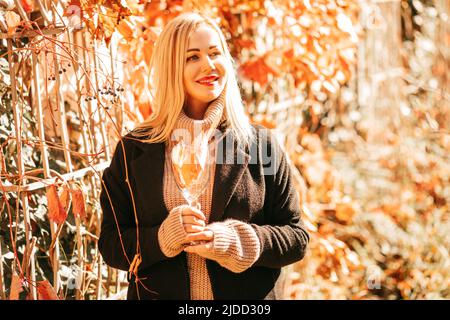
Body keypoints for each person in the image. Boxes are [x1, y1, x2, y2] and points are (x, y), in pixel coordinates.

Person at [98, 12, 309, 300]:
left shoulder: (261, 145)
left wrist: (239, 242)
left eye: (214, 53)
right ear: (172, 68)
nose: (209, 65)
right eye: (192, 57)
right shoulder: (133, 149)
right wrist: (161, 238)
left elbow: (296, 238)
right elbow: (111, 245)